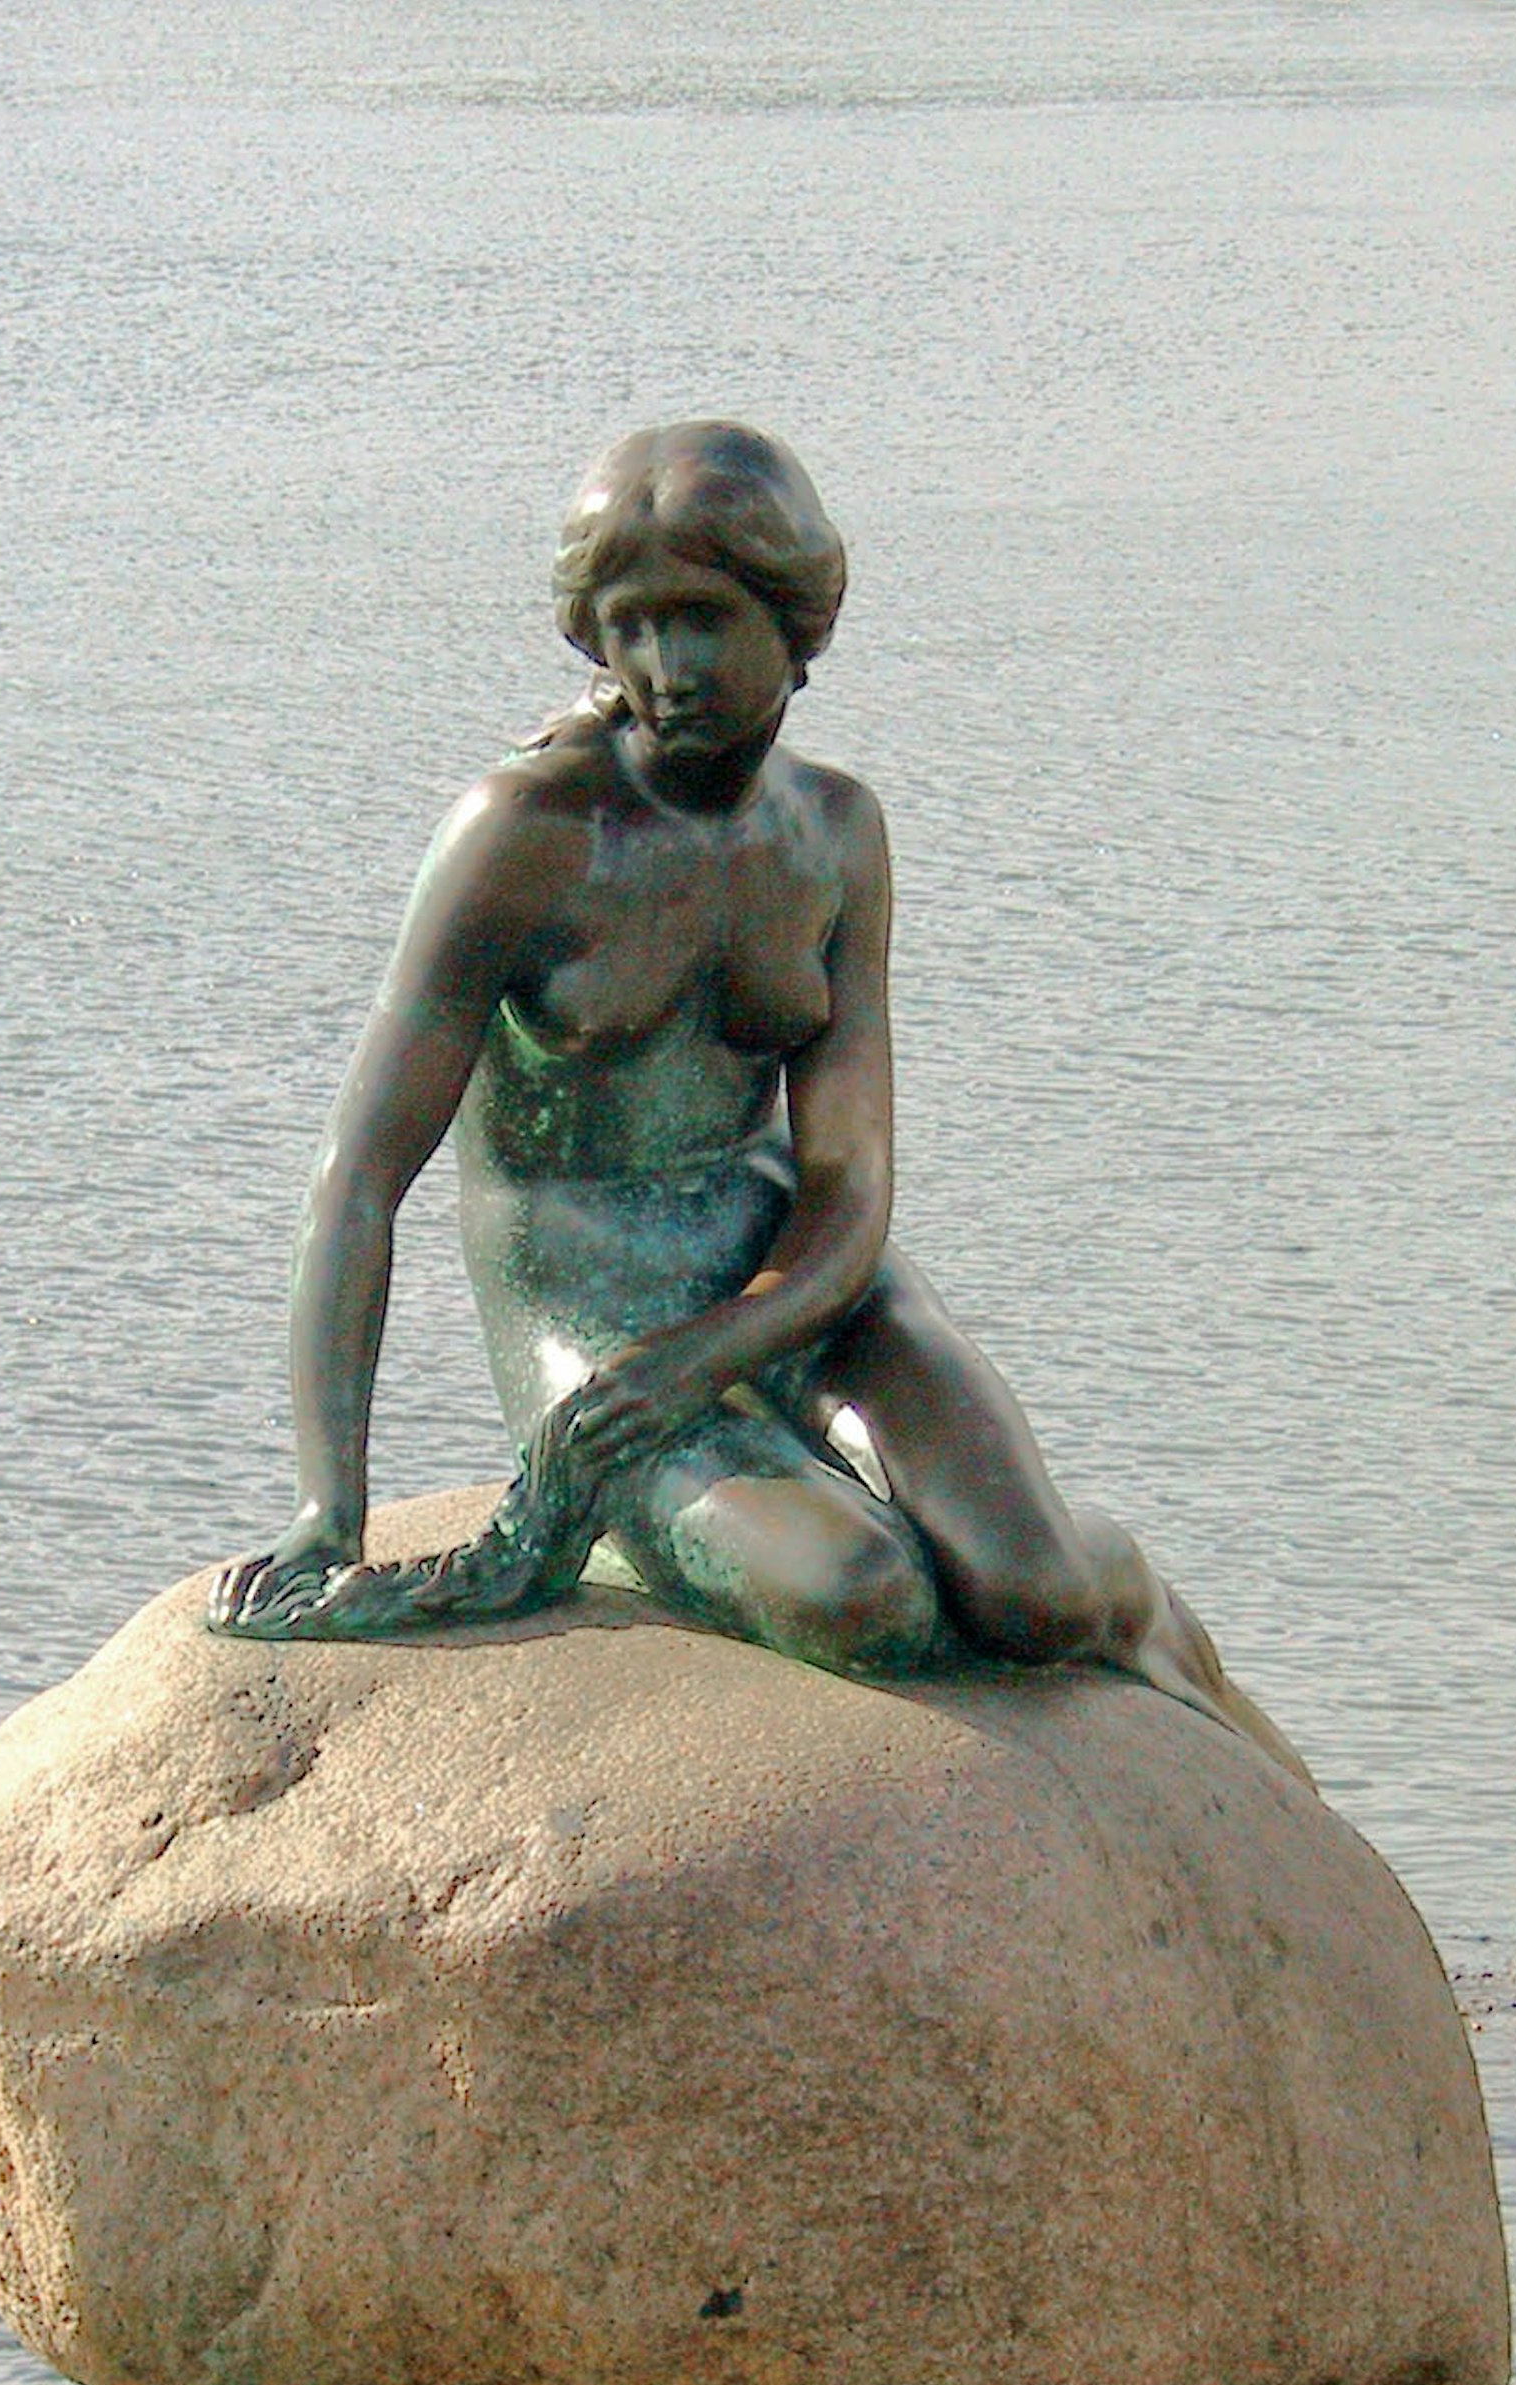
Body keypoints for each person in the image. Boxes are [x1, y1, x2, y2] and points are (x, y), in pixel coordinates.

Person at [210, 421, 1300, 1777]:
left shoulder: (836, 834)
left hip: (798, 1281)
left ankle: (1131, 1611)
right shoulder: (525, 837)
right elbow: (358, 1181)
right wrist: (332, 1504)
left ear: (797, 624)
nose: (667, 669)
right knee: (865, 1603)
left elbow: (849, 1191)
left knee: (1039, 1596)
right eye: (632, 627)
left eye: (705, 622)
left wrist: (724, 1347)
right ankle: (711, 1511)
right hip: (594, 1319)